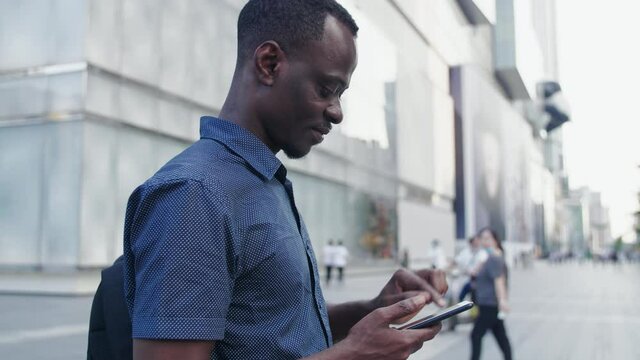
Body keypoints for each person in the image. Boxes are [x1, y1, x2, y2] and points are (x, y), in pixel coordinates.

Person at [122, 1, 449, 359]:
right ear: (269, 64)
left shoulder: (264, 183)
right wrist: (353, 355)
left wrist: (371, 308)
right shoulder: (194, 195)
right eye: (326, 89)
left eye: (340, 94)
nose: (337, 113)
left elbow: (277, 334)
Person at [470, 228, 513, 360]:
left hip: (490, 304)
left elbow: (499, 280)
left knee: (476, 335)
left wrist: (502, 300)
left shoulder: (494, 257)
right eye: (482, 238)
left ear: (495, 240)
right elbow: (473, 273)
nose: (485, 241)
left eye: (488, 238)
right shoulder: (487, 257)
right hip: (487, 303)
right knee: (501, 338)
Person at [454, 235, 489, 302]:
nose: (477, 244)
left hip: (477, 280)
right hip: (465, 277)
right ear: (471, 243)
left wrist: (474, 272)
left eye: (478, 242)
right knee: (460, 296)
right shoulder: (465, 252)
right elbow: (457, 261)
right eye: (475, 242)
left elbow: (482, 262)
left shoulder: (482, 252)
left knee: (474, 298)